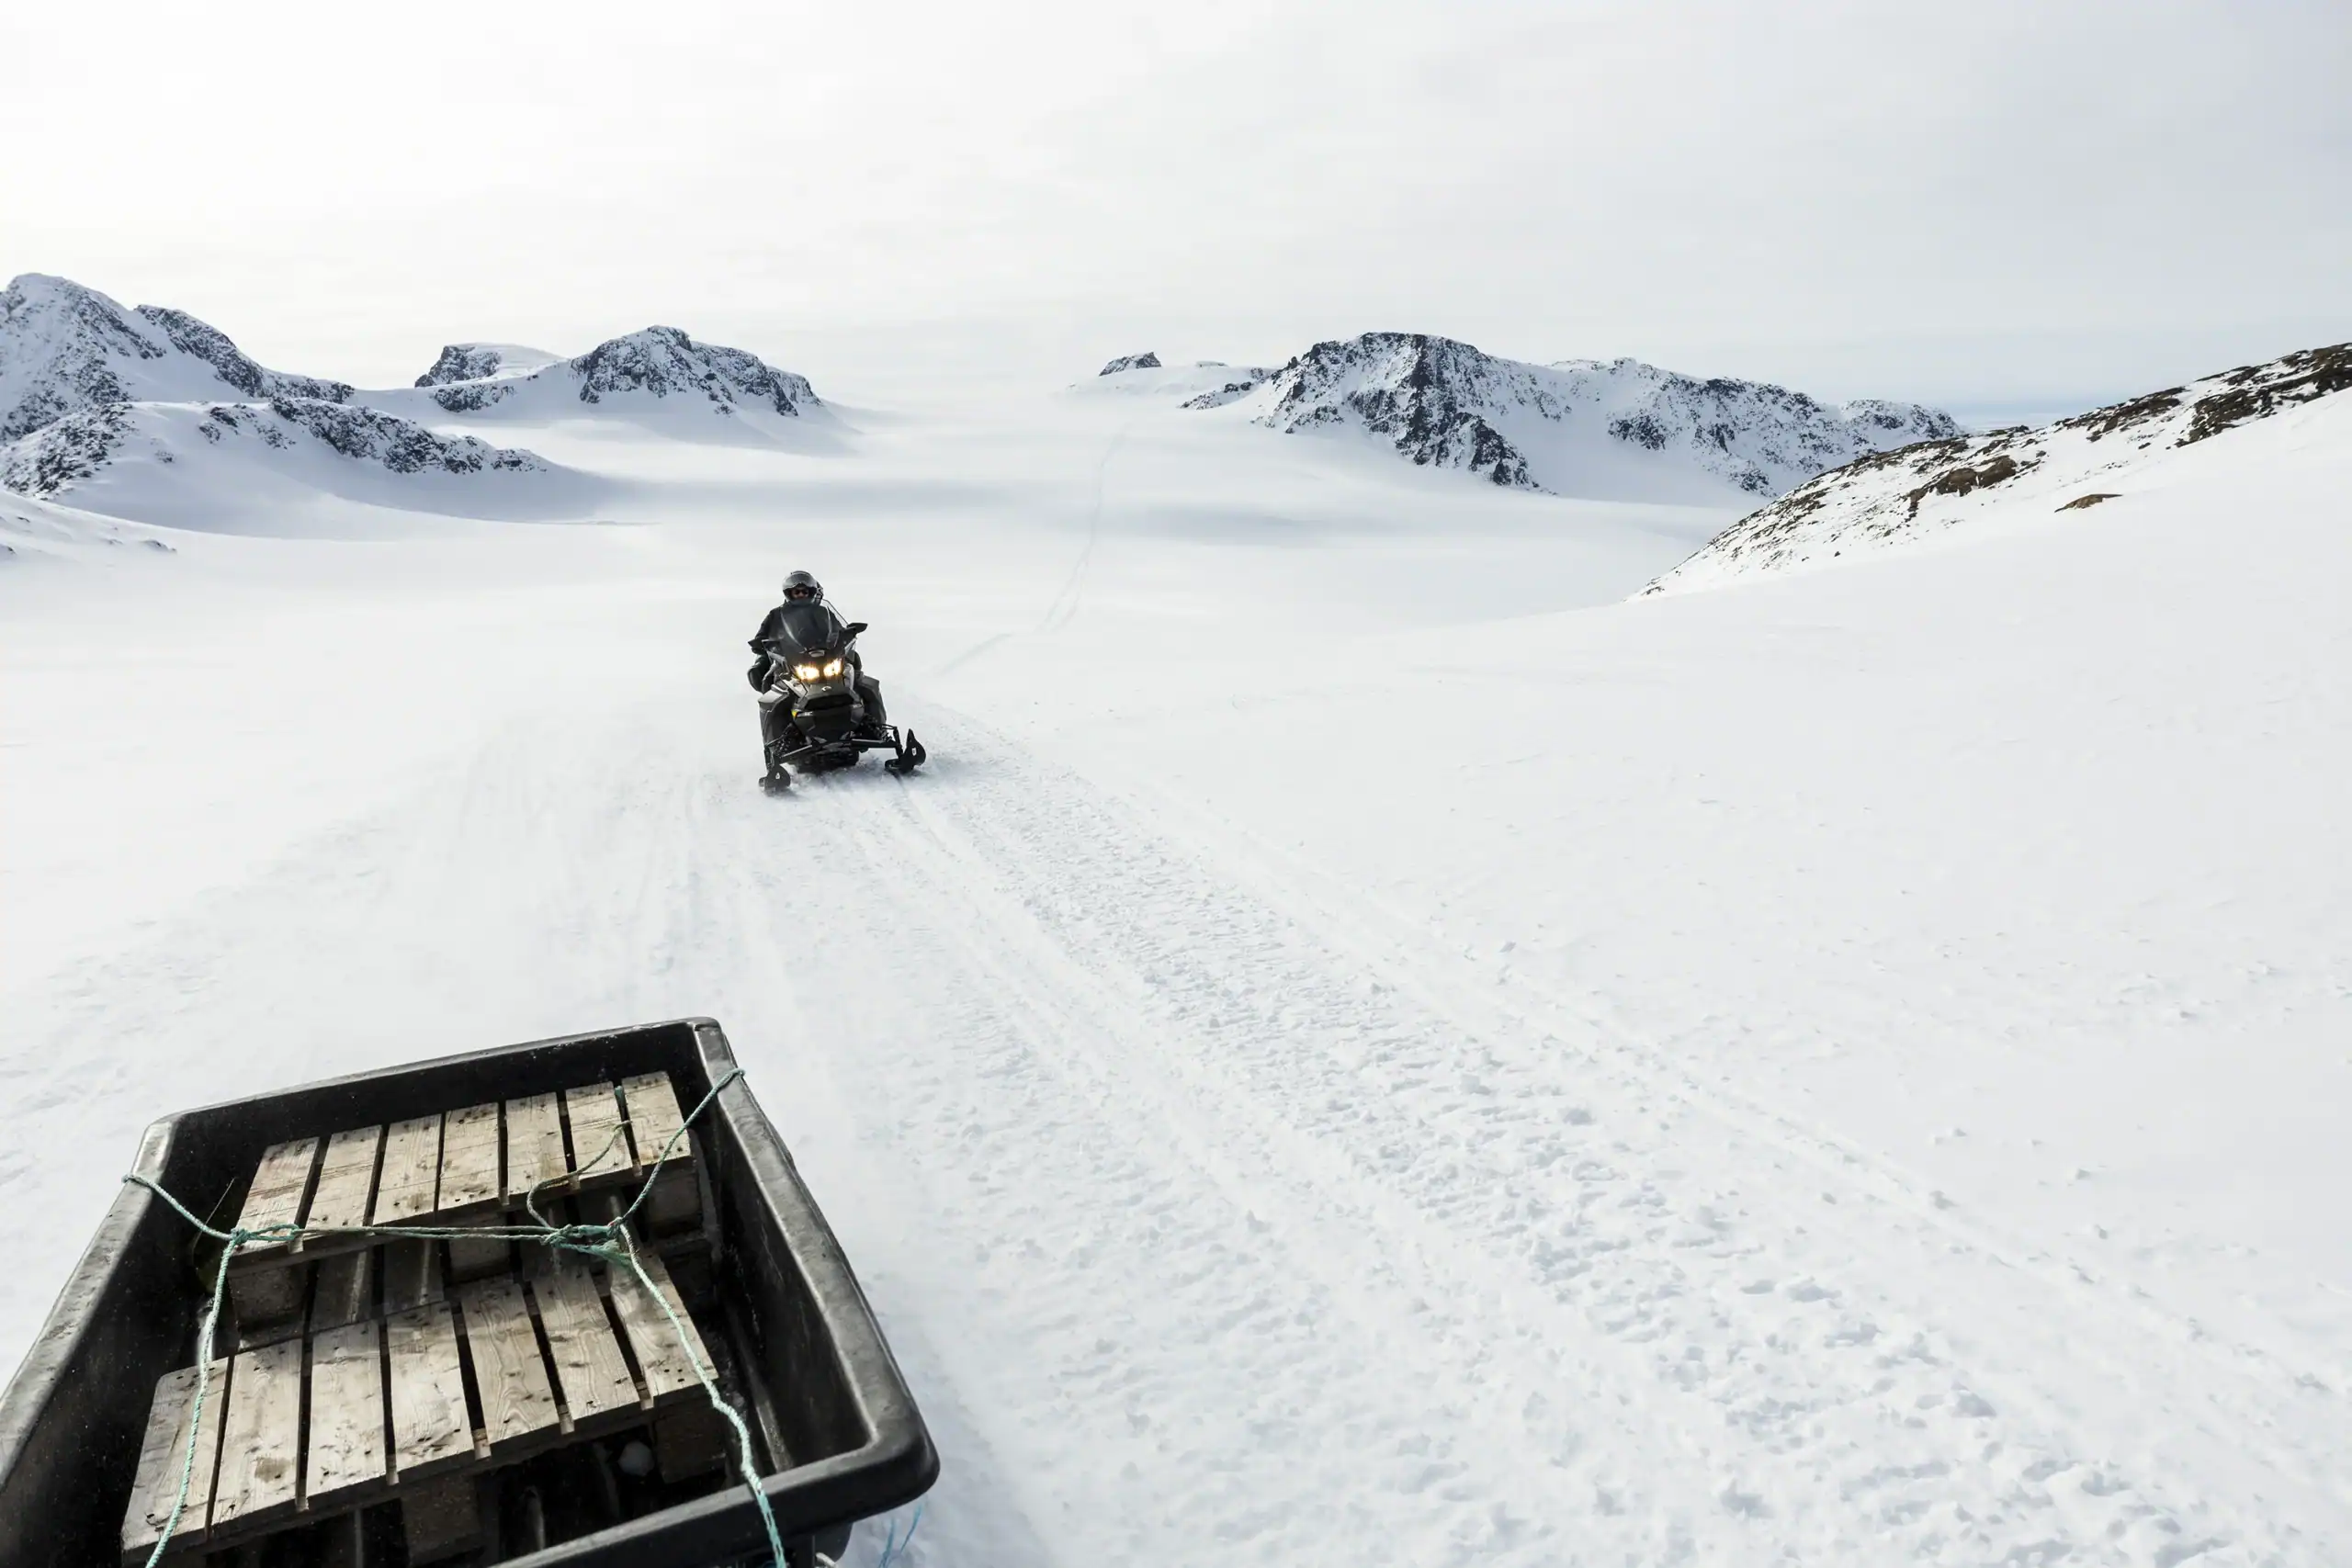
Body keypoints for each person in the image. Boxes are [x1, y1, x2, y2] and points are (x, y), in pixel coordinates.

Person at [747, 570, 888, 771]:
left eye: (804, 591)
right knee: (774, 696)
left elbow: (839, 631)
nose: (801, 595)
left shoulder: (824, 612)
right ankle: (776, 748)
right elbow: (761, 637)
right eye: (796, 592)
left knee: (865, 683)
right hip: (793, 664)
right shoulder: (776, 615)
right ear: (789, 594)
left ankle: (876, 729)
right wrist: (762, 644)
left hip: (827, 660)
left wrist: (847, 634)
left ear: (812, 591)